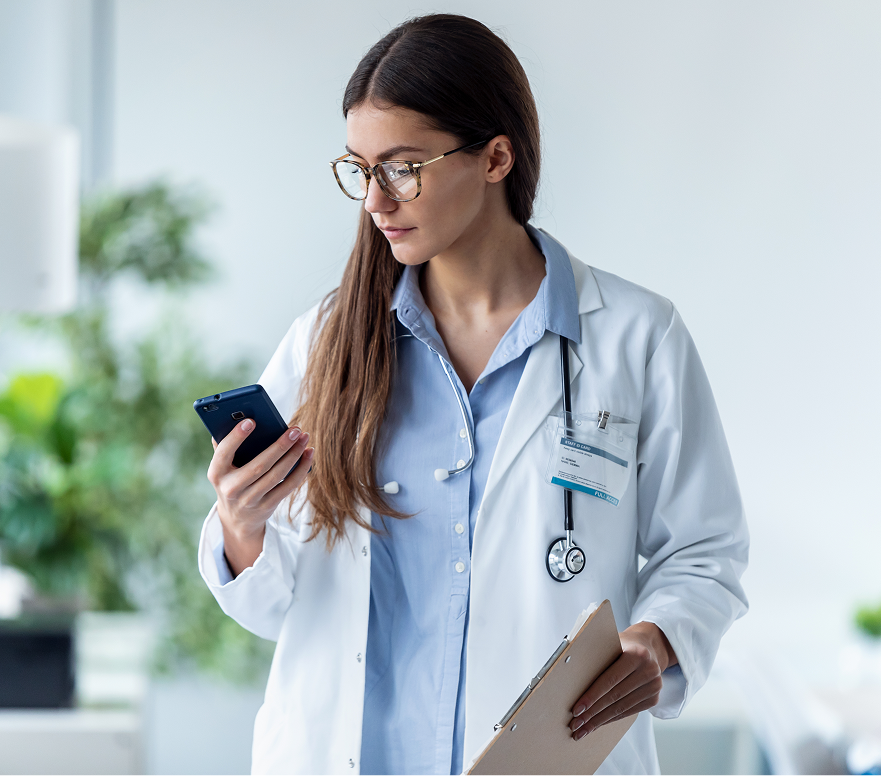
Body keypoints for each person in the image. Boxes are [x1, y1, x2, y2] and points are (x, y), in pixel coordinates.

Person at [198, 13, 748, 776]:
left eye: (402, 167)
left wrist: (660, 639)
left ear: (495, 157)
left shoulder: (634, 337)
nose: (375, 201)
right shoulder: (326, 341)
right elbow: (266, 603)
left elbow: (705, 550)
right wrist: (240, 525)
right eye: (360, 169)